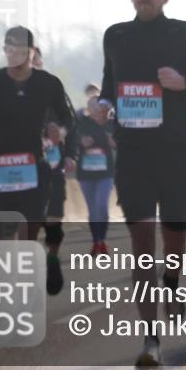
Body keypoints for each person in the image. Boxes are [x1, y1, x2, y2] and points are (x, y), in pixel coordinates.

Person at [96, 0, 186, 369]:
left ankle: (173, 283)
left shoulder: (185, 33)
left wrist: (185, 83)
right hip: (133, 154)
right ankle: (151, 341)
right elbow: (109, 84)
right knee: (141, 250)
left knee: (173, 242)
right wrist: (102, 105)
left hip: (174, 152)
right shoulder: (116, 35)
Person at [0, 26, 76, 294]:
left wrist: (60, 131)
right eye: (12, 51)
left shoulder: (48, 83)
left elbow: (68, 118)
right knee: (0, 237)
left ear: (32, 52)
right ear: (5, 51)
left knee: (27, 237)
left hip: (34, 168)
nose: (18, 57)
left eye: (24, 52)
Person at [32, 45, 78, 288]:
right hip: (22, 164)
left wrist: (70, 152)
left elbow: (71, 122)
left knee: (52, 217)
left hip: (52, 162)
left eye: (34, 57)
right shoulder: (6, 89)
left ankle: (51, 256)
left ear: (39, 60)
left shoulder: (53, 87)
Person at [77, 95, 116, 255]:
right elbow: (72, 142)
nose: (96, 109)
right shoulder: (82, 123)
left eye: (98, 106)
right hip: (86, 172)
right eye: (92, 106)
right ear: (88, 108)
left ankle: (102, 239)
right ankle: (96, 242)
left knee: (101, 205)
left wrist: (112, 142)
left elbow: (119, 144)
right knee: (92, 209)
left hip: (105, 172)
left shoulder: (111, 124)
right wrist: (81, 142)